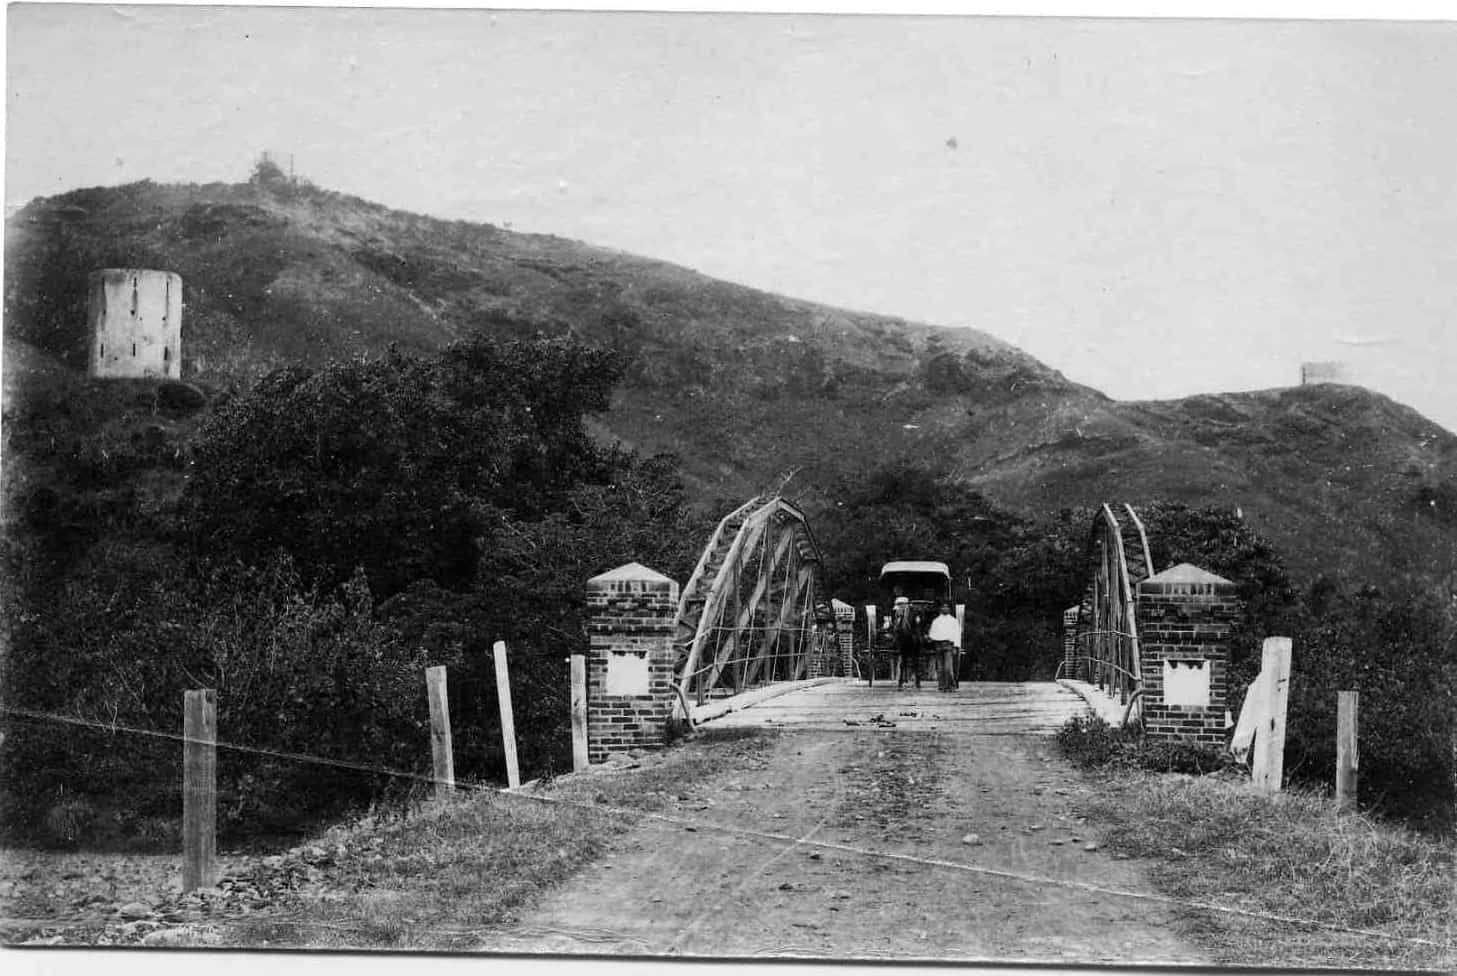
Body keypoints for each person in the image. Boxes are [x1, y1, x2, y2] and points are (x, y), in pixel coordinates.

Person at [891, 596, 922, 689]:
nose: (900, 607)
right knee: (903, 662)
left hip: (913, 638)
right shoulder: (897, 613)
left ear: (905, 604)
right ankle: (900, 681)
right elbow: (895, 625)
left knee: (915, 661)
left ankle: (917, 681)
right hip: (902, 639)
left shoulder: (913, 612)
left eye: (901, 605)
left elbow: (917, 625)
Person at [928, 602, 960, 692]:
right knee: (940, 668)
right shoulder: (936, 621)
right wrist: (931, 638)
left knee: (948, 668)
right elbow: (932, 633)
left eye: (947, 607)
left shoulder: (953, 621)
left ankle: (951, 686)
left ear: (949, 609)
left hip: (948, 645)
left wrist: (956, 646)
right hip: (938, 645)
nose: (945, 608)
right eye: (943, 607)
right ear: (940, 609)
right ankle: (942, 686)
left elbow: (957, 634)